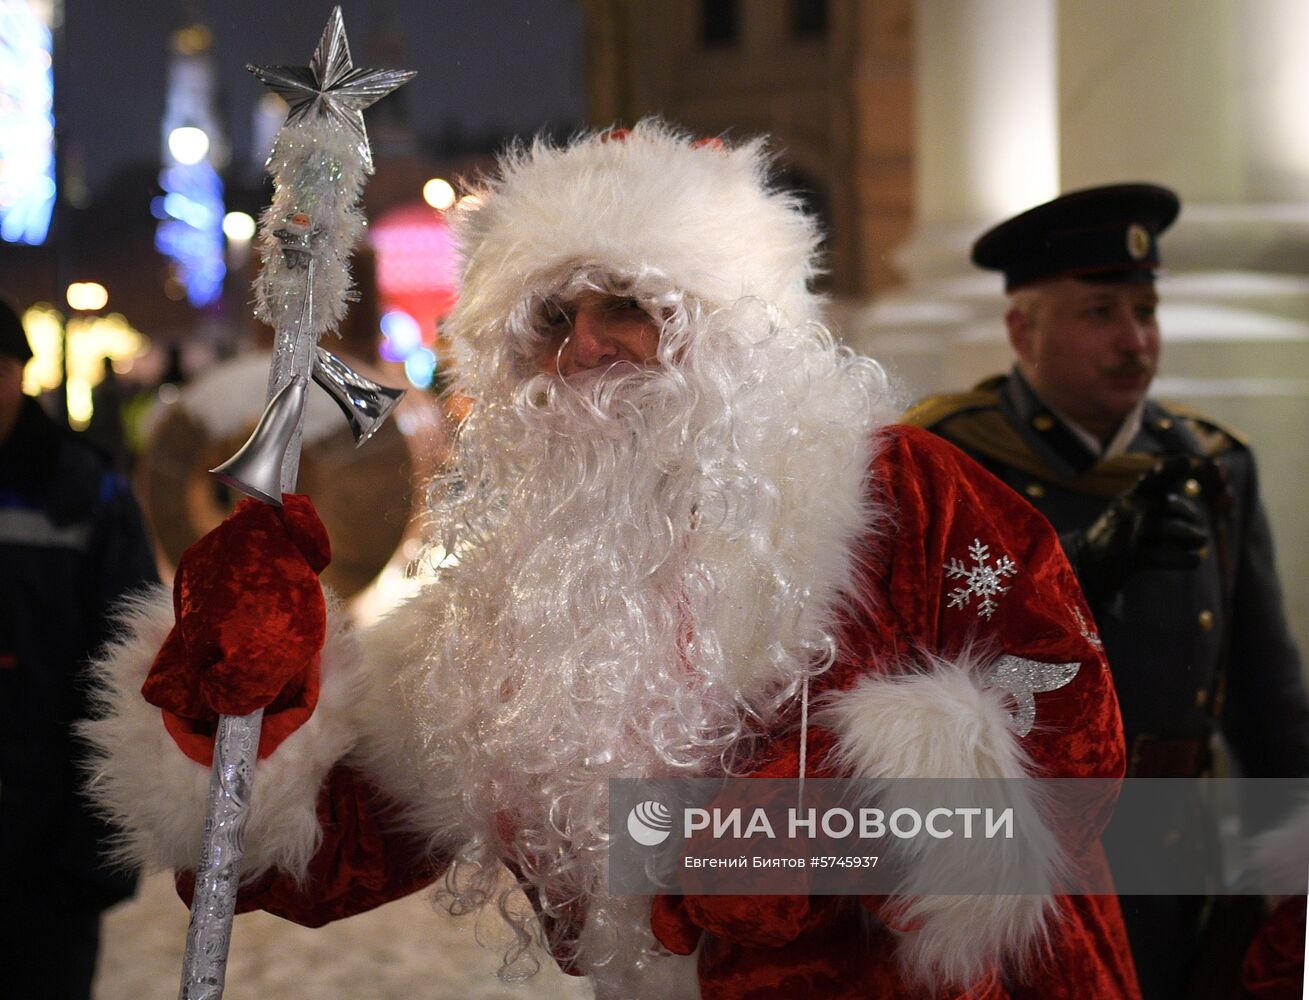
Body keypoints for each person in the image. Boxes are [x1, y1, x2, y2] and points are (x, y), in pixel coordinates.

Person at [85, 123, 1140, 999]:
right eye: (552, 316)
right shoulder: (508, 596)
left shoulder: (900, 494)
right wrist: (247, 697)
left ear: (725, 332)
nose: (585, 345)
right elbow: (318, 854)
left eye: (627, 305)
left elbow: (1070, 743)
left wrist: (778, 833)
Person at [903, 183, 1309, 999]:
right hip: (1019, 869)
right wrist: (1078, 574)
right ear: (1023, 329)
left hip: (1172, 861)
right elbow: (914, 686)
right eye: (1098, 313)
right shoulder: (948, 465)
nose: (1134, 342)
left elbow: (1263, 696)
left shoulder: (1207, 468)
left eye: (1145, 311)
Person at [0, 297, 159, 999]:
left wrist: (93, 852)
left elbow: (129, 672)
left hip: (43, 850)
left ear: (17, 374)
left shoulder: (84, 492)